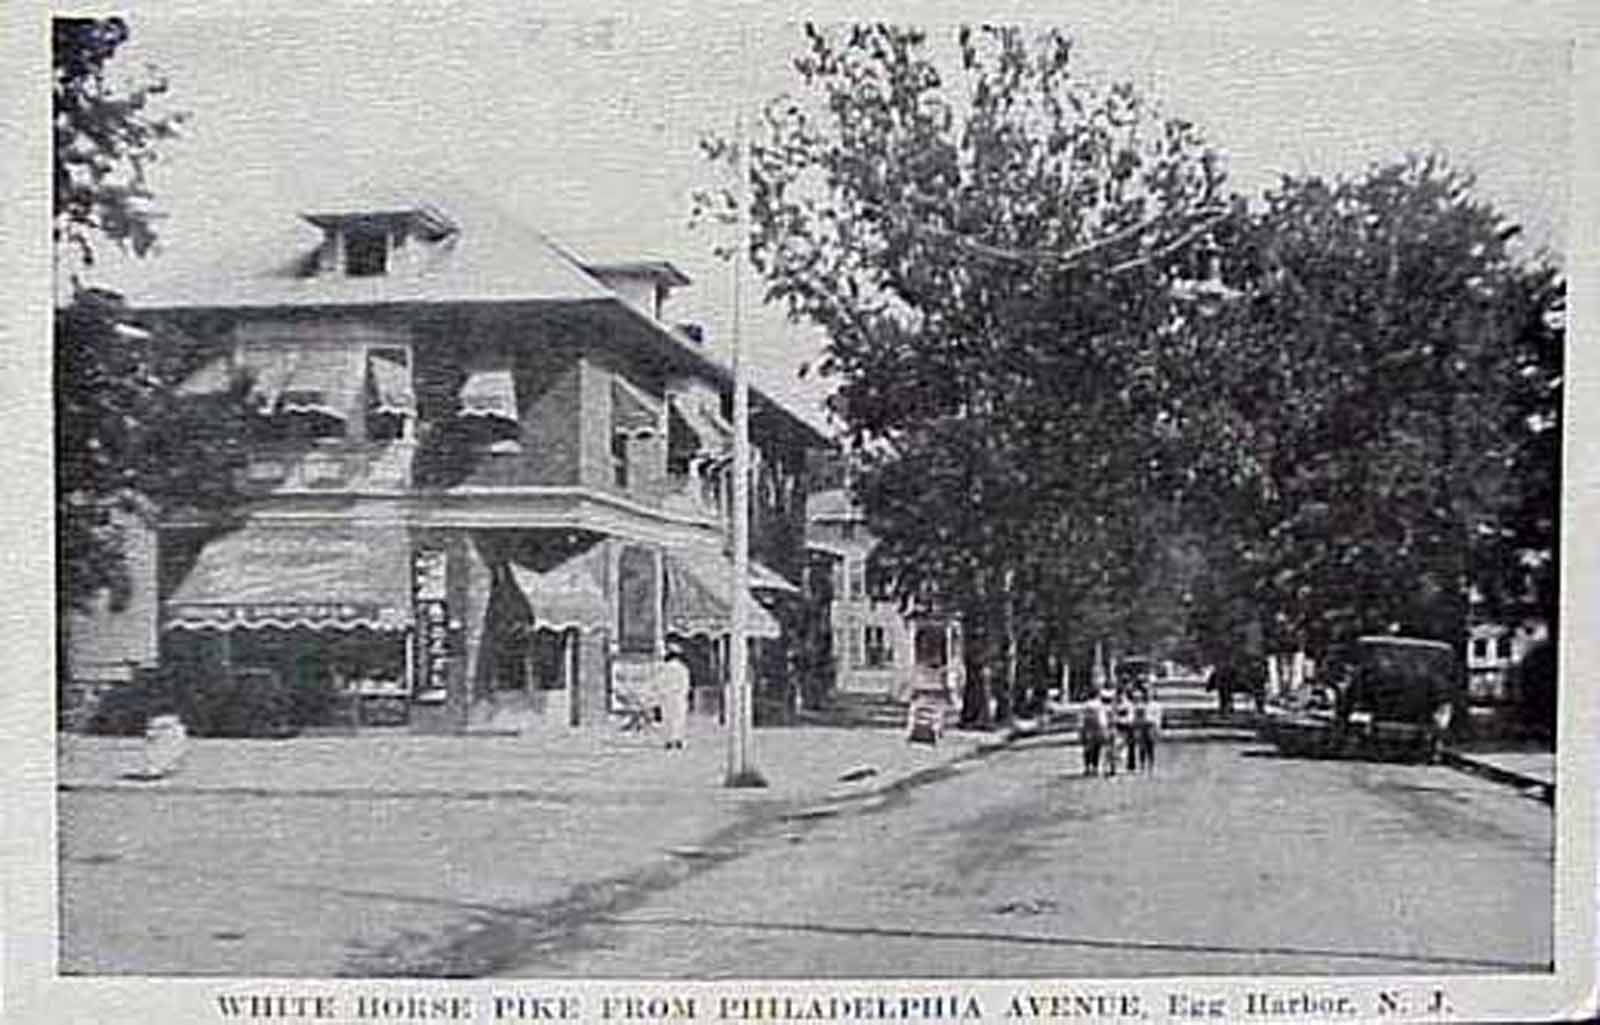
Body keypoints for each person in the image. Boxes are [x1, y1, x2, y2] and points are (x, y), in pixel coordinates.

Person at [658, 645, 692, 750]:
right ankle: (678, 739)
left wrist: (661, 695)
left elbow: (660, 683)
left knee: (667, 718)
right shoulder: (683, 668)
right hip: (678, 696)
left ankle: (668, 740)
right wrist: (684, 694)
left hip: (667, 696)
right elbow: (686, 684)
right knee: (679, 718)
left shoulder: (664, 668)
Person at [1079, 688, 1109, 776]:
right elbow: (1102, 719)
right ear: (1097, 695)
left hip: (1088, 729)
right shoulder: (1100, 705)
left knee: (1087, 749)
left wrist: (1081, 730)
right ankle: (1095, 767)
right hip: (1098, 729)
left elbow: (1082, 719)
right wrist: (1104, 729)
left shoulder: (1085, 705)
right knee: (1096, 748)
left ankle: (1087, 767)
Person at [1133, 686, 1162, 773]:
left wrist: (1157, 728)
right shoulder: (1140, 705)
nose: (1148, 695)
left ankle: (1151, 765)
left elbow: (1158, 718)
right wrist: (1136, 727)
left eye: (1150, 693)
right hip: (1142, 727)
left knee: (1150, 747)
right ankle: (1142, 765)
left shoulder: (1156, 705)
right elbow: (1136, 717)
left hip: (1151, 727)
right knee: (1141, 747)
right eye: (1146, 693)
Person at [1112, 687, 1136, 774]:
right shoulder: (1114, 704)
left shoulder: (1129, 704)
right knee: (1116, 746)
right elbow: (1113, 715)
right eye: (1118, 695)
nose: (1120, 697)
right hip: (1118, 727)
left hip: (1127, 727)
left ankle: (1131, 766)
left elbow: (1131, 716)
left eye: (1121, 695)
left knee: (1130, 746)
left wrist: (1126, 721)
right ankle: (1114, 767)